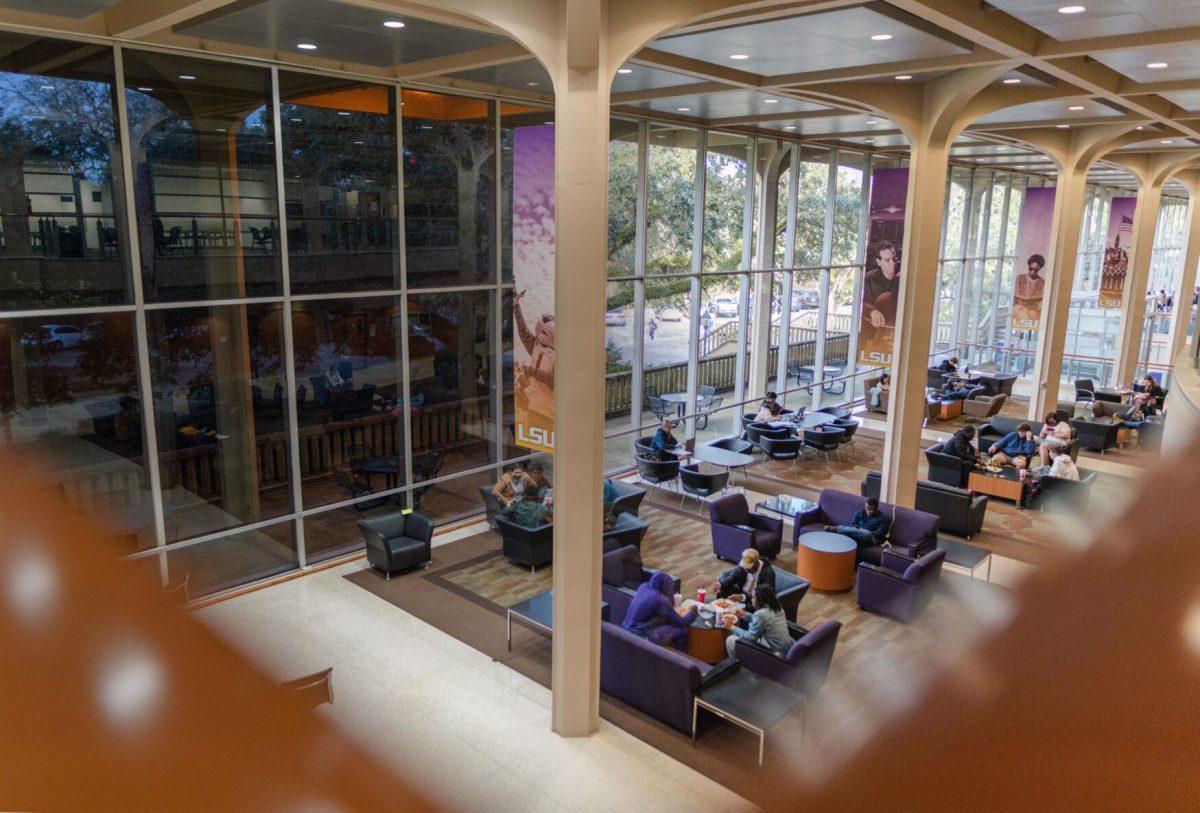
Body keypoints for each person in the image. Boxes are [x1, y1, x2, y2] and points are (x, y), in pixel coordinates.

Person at [512, 288, 555, 431]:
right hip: (533, 407)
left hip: (550, 413)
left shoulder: (558, 356)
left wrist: (532, 371)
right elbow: (523, 332)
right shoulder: (537, 345)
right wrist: (516, 306)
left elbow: (555, 382)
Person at [622, 571, 694, 647]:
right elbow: (681, 622)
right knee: (682, 630)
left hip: (625, 628)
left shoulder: (643, 586)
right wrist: (692, 612)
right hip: (639, 635)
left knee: (665, 623)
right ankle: (678, 654)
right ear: (666, 586)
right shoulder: (660, 599)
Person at [724, 586, 792, 658]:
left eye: (753, 597)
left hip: (773, 654)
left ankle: (737, 665)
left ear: (760, 600)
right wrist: (745, 615)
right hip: (786, 649)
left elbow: (750, 638)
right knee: (750, 626)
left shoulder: (761, 614)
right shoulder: (778, 607)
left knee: (730, 640)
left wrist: (731, 627)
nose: (751, 600)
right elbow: (764, 620)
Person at [861, 241, 900, 334]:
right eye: (887, 260)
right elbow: (860, 302)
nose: (893, 263)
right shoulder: (868, 279)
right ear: (879, 262)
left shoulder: (900, 280)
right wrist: (872, 311)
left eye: (894, 259)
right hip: (871, 332)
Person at [825, 496, 890, 550]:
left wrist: (862, 530)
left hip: (870, 539)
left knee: (867, 533)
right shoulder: (859, 513)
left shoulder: (883, 518)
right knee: (848, 538)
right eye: (867, 508)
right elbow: (852, 526)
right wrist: (857, 529)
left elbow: (878, 535)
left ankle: (837, 529)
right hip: (857, 536)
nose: (868, 511)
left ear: (876, 508)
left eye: (871, 509)